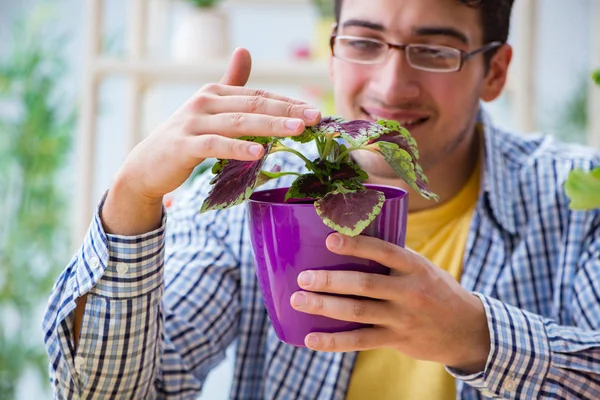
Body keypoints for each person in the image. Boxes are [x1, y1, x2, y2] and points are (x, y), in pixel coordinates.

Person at [43, 0, 600, 398]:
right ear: (330, 49)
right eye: (362, 41)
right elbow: (102, 393)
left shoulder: (580, 197)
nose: (390, 84)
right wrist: (132, 198)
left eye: (433, 50)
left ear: (495, 71)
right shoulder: (259, 194)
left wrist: (476, 337)